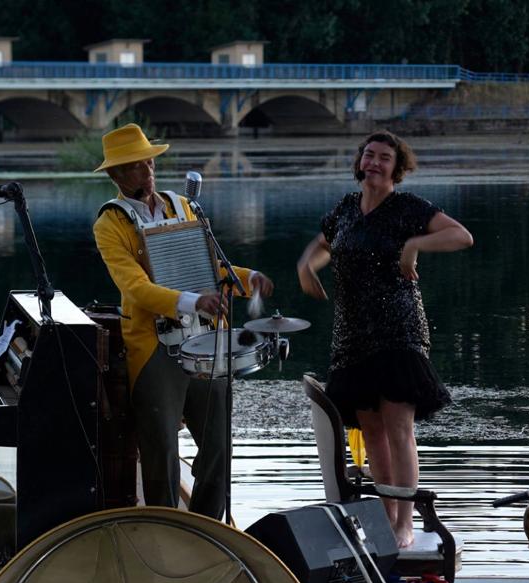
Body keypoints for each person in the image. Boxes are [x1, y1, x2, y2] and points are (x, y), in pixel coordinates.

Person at [296, 130, 473, 547]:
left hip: (398, 330)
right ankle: (386, 514)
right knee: (371, 431)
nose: (375, 163)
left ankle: (406, 522)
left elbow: (461, 236)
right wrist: (307, 266)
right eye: (369, 155)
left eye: (385, 158)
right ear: (360, 162)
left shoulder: (408, 208)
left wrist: (414, 244)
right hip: (353, 335)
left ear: (397, 168)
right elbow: (324, 245)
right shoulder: (345, 210)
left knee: (399, 428)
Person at [92, 124, 274, 519]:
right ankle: (164, 525)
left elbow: (209, 266)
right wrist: (195, 300)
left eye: (149, 162)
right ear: (116, 175)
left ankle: (209, 524)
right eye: (136, 166)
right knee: (160, 447)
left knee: (219, 442)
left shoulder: (183, 206)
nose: (148, 171)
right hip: (155, 344)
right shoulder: (110, 224)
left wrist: (247, 279)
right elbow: (136, 288)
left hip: (208, 336)